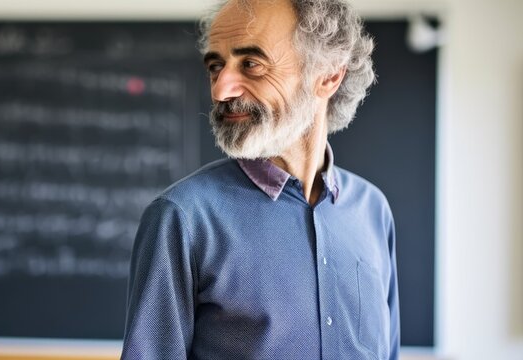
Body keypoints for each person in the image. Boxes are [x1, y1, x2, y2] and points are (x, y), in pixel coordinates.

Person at [121, 0, 399, 359]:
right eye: (215, 66)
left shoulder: (373, 210)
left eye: (251, 64)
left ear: (329, 75)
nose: (221, 91)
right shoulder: (182, 218)